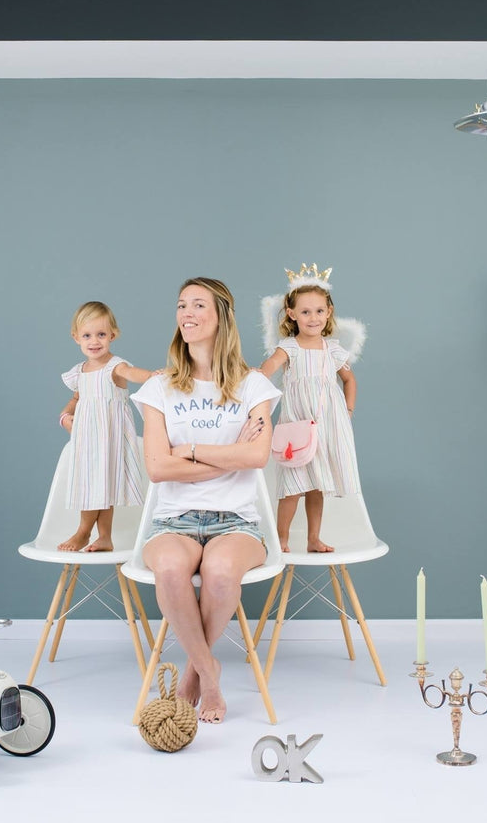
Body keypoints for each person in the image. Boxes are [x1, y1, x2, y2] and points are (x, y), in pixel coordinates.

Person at [130, 278, 280, 723]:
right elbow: (158, 467)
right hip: (172, 519)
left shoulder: (253, 385)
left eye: (198, 304)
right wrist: (228, 457)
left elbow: (257, 455)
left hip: (237, 521)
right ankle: (210, 670)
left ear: (221, 317)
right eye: (181, 305)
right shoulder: (159, 388)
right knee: (172, 569)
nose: (187, 313)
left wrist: (191, 451)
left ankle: (194, 673)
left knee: (218, 573)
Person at [259, 265, 363, 553]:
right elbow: (268, 368)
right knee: (293, 485)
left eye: (319, 311)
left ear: (328, 312)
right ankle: (281, 537)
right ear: (292, 314)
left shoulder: (332, 350)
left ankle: (313, 538)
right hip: (297, 425)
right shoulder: (289, 347)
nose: (313, 317)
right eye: (305, 312)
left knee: (317, 486)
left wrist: (348, 409)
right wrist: (254, 377)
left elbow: (349, 379)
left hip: (326, 425)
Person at [57, 301, 155, 552]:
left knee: (102, 485)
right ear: (76, 337)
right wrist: (67, 414)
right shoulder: (80, 371)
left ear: (113, 335)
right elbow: (77, 398)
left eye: (101, 334)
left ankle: (85, 533)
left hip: (109, 438)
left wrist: (158, 376)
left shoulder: (115, 367)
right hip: (88, 440)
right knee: (94, 485)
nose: (94, 341)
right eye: (87, 335)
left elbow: (135, 374)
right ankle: (101, 537)